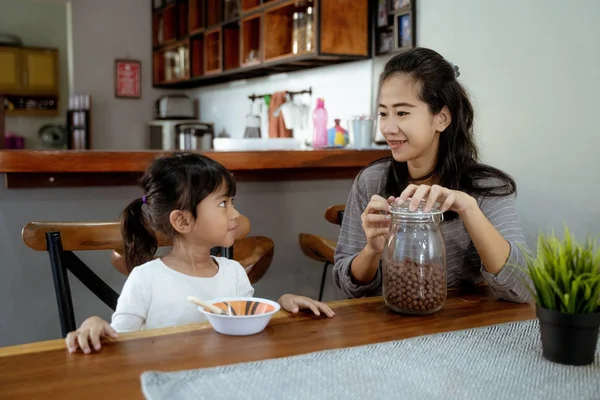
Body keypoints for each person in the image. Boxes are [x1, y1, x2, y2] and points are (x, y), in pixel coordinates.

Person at [67, 152, 334, 354]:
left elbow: (247, 328)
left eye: (233, 203)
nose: (236, 214)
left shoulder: (233, 273)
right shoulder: (146, 279)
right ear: (182, 221)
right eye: (223, 204)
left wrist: (284, 304)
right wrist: (94, 323)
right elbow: (122, 343)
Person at [333, 47, 531, 304]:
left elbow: (523, 286)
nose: (388, 128)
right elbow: (349, 287)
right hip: (386, 327)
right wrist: (372, 250)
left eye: (402, 112)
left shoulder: (487, 188)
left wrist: (468, 209)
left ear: (442, 118)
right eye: (383, 113)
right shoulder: (372, 181)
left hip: (464, 328)